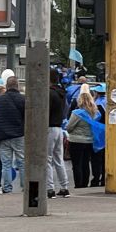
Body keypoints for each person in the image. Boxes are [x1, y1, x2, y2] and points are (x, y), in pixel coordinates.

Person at [0, 76, 25, 195]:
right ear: (17, 86)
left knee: (6, 164)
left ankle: (7, 188)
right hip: (19, 135)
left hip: (3, 136)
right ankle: (25, 187)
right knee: (22, 162)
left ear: (7, 86)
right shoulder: (23, 99)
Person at [67, 85, 103, 189]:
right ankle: (85, 183)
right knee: (85, 163)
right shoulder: (96, 112)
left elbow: (69, 127)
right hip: (89, 140)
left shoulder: (77, 113)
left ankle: (78, 184)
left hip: (76, 140)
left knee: (76, 164)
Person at [47, 68, 70, 199]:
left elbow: (46, 111)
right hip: (59, 128)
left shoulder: (49, 93)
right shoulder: (62, 93)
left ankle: (50, 188)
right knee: (58, 158)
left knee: (47, 159)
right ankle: (64, 186)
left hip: (49, 127)